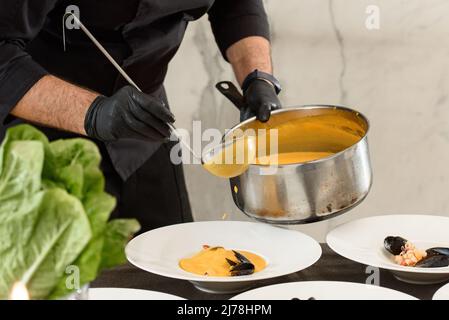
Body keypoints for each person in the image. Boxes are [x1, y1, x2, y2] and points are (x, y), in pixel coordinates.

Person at [0, 0, 282, 231]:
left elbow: (234, 4)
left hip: (146, 127)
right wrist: (93, 112)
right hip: (41, 134)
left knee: (175, 268)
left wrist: (257, 78)